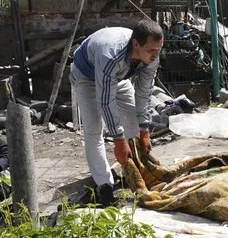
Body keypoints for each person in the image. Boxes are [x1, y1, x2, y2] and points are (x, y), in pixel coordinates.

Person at [70, 19, 164, 206]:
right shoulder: (111, 55)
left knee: (134, 125)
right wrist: (118, 141)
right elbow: (105, 100)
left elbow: (144, 93)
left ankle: (135, 174)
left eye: (158, 50)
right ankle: (104, 185)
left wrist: (144, 131)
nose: (155, 55)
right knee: (94, 128)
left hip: (119, 76)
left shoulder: (152, 57)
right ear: (136, 44)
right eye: (151, 50)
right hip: (87, 76)